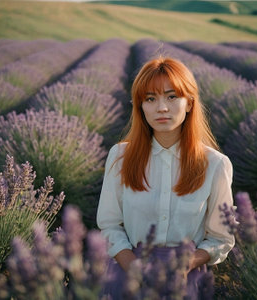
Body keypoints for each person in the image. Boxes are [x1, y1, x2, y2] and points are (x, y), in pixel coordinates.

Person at [96, 56, 235, 299]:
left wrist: (188, 263)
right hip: (127, 276)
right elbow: (109, 224)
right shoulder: (121, 156)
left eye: (172, 97)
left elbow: (221, 237)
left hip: (186, 279)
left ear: (189, 103)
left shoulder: (215, 165)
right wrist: (134, 267)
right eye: (151, 99)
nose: (162, 107)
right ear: (140, 106)